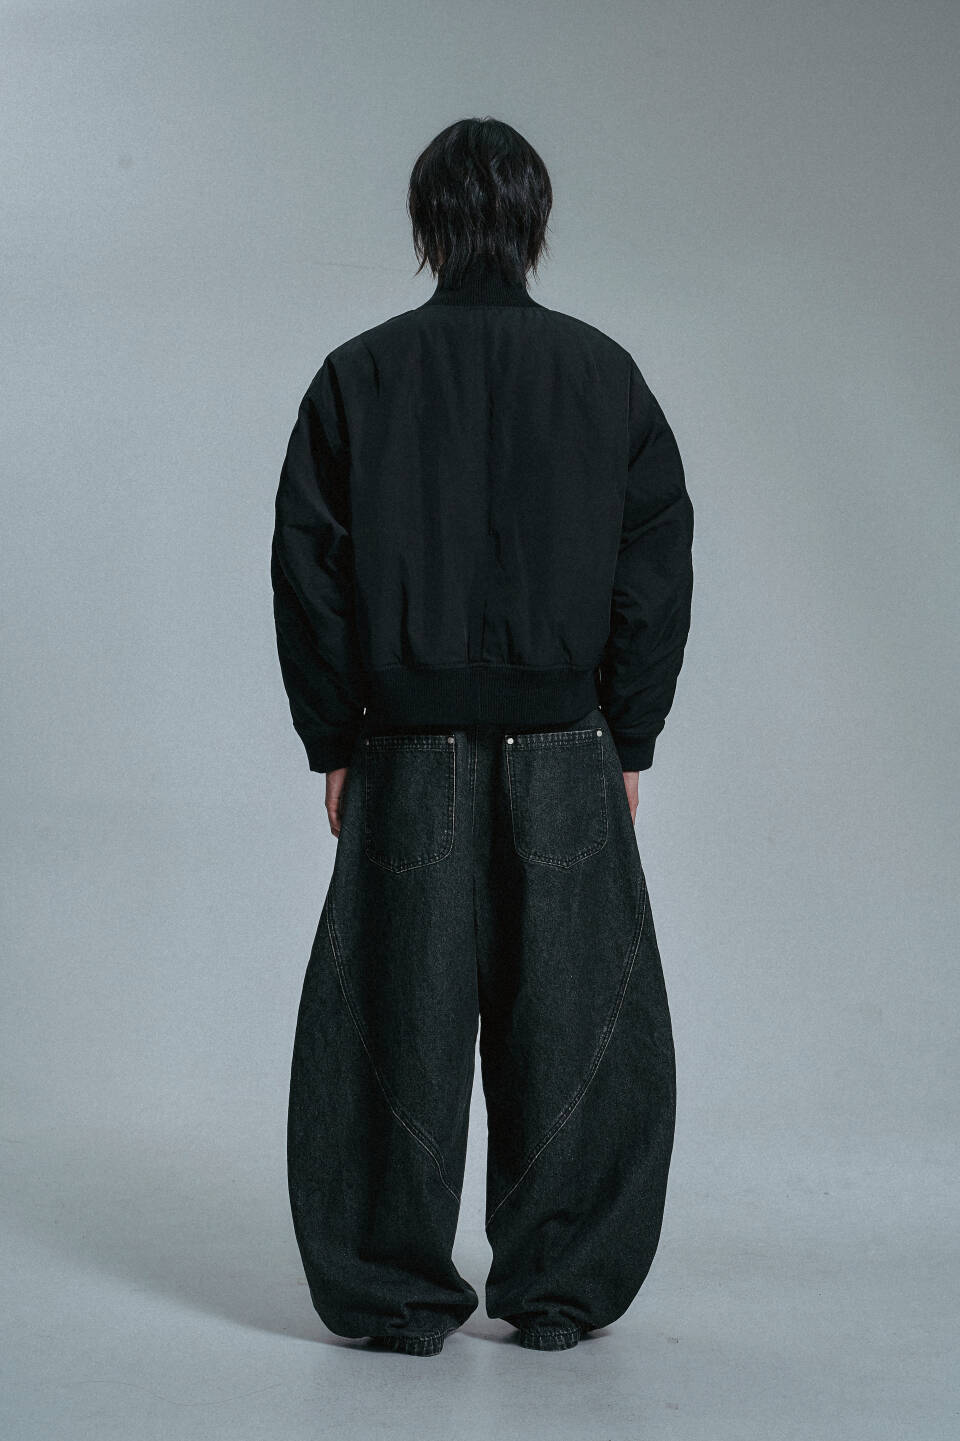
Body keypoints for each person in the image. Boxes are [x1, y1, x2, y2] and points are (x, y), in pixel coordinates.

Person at [271, 116, 695, 1356]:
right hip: (565, 743)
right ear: (533, 222)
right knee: (578, 1029)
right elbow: (654, 567)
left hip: (406, 749)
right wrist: (629, 736)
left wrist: (333, 738)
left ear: (428, 225)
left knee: (386, 1030)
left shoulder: (359, 375)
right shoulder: (604, 374)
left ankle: (391, 1293)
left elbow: (310, 570)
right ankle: (562, 1290)